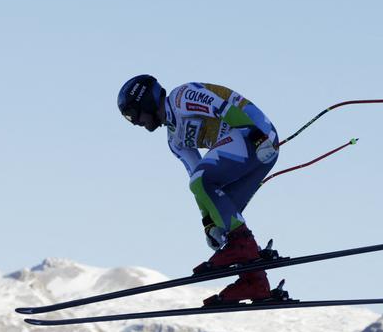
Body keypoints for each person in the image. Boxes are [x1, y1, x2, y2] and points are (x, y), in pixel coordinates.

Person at [117, 74, 280, 305]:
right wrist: (208, 224)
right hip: (252, 148)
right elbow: (197, 180)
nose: (135, 122)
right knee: (223, 216)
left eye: (133, 114)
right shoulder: (174, 140)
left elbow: (221, 107)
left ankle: (242, 248)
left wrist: (256, 136)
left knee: (205, 185)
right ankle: (255, 282)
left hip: (253, 134)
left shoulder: (181, 98)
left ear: (146, 102)